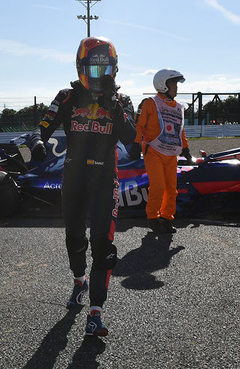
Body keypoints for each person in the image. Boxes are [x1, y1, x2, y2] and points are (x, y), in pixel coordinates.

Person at [29, 36, 136, 336]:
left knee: (103, 245)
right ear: (81, 68)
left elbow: (131, 137)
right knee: (75, 239)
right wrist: (37, 142)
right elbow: (42, 126)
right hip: (74, 179)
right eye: (94, 69)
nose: (100, 77)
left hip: (105, 181)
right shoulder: (67, 96)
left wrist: (114, 107)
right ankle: (79, 281)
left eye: (106, 71)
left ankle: (96, 313)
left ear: (114, 70)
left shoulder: (123, 101)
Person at [132, 69, 191, 234]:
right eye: (173, 84)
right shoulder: (149, 103)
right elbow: (139, 125)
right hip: (154, 151)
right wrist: (136, 144)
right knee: (158, 186)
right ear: (163, 85)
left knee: (171, 189)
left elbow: (180, 131)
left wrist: (186, 150)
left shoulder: (178, 107)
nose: (176, 88)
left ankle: (167, 218)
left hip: (171, 154)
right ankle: (152, 217)